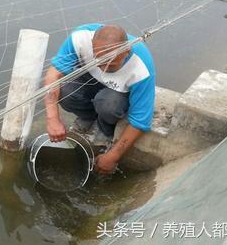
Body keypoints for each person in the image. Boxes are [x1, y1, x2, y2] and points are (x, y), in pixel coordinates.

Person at [42, 23, 155, 175]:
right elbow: (53, 75)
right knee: (64, 90)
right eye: (99, 61)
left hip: (117, 93)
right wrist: (53, 119)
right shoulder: (80, 38)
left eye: (112, 65)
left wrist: (114, 156)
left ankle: (105, 128)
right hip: (89, 79)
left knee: (108, 104)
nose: (104, 68)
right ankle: (87, 117)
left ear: (126, 52)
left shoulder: (141, 66)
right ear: (92, 47)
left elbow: (141, 121)